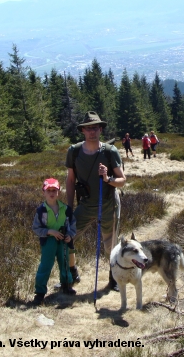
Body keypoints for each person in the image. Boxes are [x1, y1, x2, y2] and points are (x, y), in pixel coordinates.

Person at [65, 111, 126, 291]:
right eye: (88, 128)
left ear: (101, 129)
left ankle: (113, 278)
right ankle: (71, 273)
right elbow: (70, 180)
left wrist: (108, 179)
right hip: (85, 204)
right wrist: (69, 208)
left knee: (111, 245)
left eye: (95, 128)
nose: (92, 131)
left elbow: (122, 181)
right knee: (67, 238)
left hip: (108, 204)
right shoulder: (74, 152)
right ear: (82, 130)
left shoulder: (110, 152)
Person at [32, 178, 76, 306]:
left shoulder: (66, 209)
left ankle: (66, 285)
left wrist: (70, 235)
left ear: (58, 192)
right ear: (44, 192)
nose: (51, 193)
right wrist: (50, 232)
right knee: (45, 266)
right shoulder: (41, 210)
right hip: (48, 242)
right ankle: (39, 293)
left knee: (65, 263)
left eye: (54, 190)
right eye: (49, 190)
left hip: (63, 241)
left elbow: (72, 225)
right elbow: (36, 228)